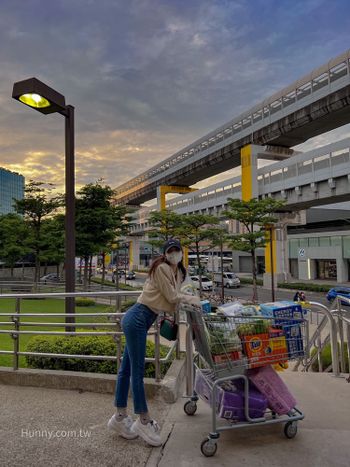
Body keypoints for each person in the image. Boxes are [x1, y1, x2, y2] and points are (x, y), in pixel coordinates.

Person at [107, 239, 200, 446]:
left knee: (126, 369)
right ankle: (144, 420)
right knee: (136, 372)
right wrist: (192, 300)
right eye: (170, 251)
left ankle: (120, 417)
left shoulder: (178, 272)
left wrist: (187, 298)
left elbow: (174, 297)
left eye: (177, 250)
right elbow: (171, 296)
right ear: (165, 253)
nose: (174, 254)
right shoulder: (161, 268)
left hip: (140, 319)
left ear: (182, 253)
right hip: (138, 317)